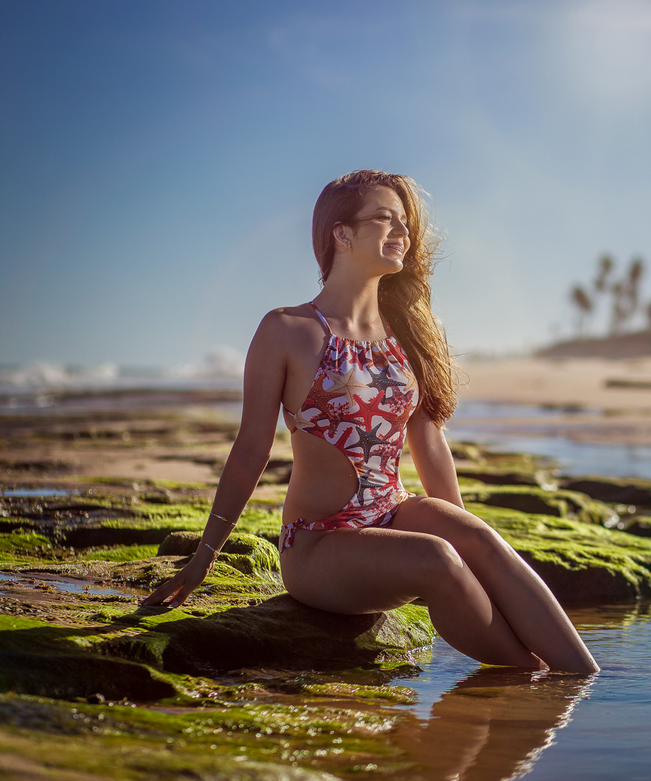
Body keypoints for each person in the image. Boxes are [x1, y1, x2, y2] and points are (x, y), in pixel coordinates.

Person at [142, 170, 599, 673]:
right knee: (437, 560)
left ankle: (583, 679)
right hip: (319, 542)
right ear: (341, 233)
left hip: (394, 511)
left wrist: (463, 532)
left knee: (481, 541)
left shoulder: (411, 329)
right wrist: (204, 557)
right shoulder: (287, 330)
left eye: (404, 221)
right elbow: (251, 449)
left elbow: (429, 439)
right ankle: (536, 679)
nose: (401, 232)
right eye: (384, 219)